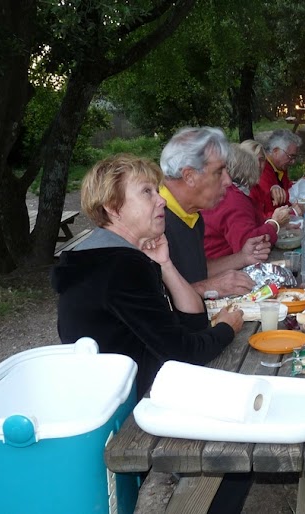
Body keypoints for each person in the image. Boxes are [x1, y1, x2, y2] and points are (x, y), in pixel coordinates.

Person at [51, 154, 243, 399]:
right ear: (113, 207)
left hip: (119, 389)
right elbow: (183, 354)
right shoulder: (118, 266)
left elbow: (193, 323)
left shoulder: (110, 256)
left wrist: (165, 264)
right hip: (129, 405)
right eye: (147, 192)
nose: (162, 200)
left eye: (157, 191)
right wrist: (227, 328)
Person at [159, 127, 270, 297]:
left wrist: (242, 257)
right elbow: (152, 299)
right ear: (189, 176)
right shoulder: (153, 219)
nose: (228, 181)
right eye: (219, 172)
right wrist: (207, 287)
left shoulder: (191, 214)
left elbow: (196, 271)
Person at [202, 144, 292, 260]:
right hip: (221, 267)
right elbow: (248, 245)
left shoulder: (235, 193)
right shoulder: (233, 199)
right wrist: (275, 224)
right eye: (256, 163)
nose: (260, 167)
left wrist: (281, 226)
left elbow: (248, 223)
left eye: (262, 161)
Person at [251, 129, 303, 219]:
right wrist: (293, 212)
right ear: (275, 151)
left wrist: (298, 185)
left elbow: (285, 187)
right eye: (290, 156)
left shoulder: (279, 167)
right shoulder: (262, 172)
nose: (293, 162)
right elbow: (270, 209)